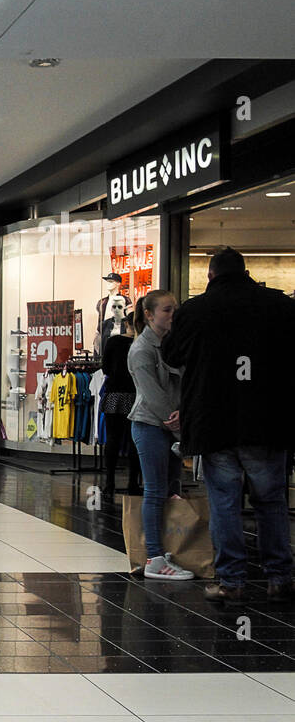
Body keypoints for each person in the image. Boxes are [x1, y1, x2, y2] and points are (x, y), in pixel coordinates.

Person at [163, 246, 295, 603]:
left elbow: (172, 355)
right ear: (246, 271)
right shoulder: (279, 305)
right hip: (267, 422)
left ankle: (231, 581)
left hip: (213, 421)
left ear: (210, 275)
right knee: (271, 501)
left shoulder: (195, 311)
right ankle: (279, 577)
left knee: (224, 501)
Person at [127, 290, 192, 581]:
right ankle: (154, 557)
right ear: (149, 315)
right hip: (150, 425)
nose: (173, 314)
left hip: (171, 425)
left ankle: (169, 551)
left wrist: (183, 414)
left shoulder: (174, 344)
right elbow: (152, 395)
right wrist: (176, 421)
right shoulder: (142, 350)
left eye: (174, 308)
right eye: (167, 310)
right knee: (154, 491)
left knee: (172, 489)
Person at [99, 310, 141, 500]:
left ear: (127, 323)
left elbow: (105, 367)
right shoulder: (141, 344)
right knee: (135, 440)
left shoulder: (114, 342)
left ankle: (109, 483)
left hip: (115, 394)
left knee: (113, 439)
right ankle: (133, 482)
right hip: (135, 395)